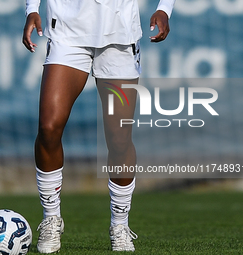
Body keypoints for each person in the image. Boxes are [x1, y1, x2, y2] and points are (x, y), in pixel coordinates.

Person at [23, 0, 175, 253]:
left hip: (120, 34)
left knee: (119, 139)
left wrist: (164, 9)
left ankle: (120, 224)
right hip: (67, 31)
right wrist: (31, 9)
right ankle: (51, 218)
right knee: (48, 128)